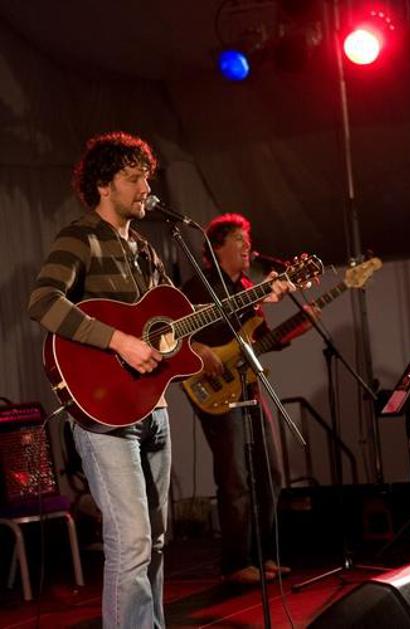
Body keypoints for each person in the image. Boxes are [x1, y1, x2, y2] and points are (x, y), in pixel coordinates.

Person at [28, 133, 290, 626]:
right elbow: (43, 302)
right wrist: (119, 342)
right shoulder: (79, 238)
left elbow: (175, 323)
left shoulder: (146, 250)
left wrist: (255, 297)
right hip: (103, 415)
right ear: (103, 185)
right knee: (131, 541)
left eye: (146, 177)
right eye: (134, 178)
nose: (146, 188)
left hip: (154, 409)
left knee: (156, 540)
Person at [182, 213, 314, 585]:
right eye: (238, 239)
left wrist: (298, 326)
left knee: (270, 473)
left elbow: (260, 340)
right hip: (213, 388)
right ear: (217, 248)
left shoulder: (247, 286)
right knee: (235, 477)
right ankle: (235, 563)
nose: (247, 246)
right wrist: (200, 349)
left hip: (248, 384)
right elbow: (177, 335)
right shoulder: (198, 286)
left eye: (248, 239)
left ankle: (264, 555)